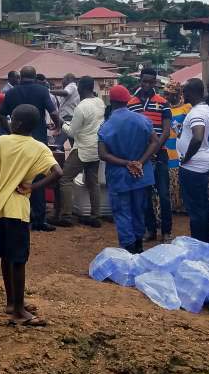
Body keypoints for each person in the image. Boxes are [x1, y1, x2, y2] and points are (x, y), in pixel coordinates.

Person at [0, 104, 62, 327]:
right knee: (19, 260)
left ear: (16, 123)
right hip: (18, 210)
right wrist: (33, 187)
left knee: (6, 256)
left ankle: (12, 302)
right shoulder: (39, 148)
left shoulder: (2, 141)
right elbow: (57, 172)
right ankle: (19, 310)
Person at [98, 85, 162, 253]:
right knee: (139, 209)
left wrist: (127, 163)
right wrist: (140, 162)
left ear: (111, 102)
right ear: (127, 100)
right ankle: (139, 243)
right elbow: (155, 142)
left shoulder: (106, 126)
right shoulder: (143, 120)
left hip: (119, 176)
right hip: (141, 175)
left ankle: (128, 246)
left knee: (122, 211)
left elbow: (103, 154)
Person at [1, 66, 62, 232]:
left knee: (16, 176)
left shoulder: (12, 92)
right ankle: (39, 219)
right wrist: (57, 126)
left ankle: (19, 216)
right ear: (35, 77)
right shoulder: (42, 91)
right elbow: (53, 112)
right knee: (37, 178)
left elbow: (1, 114)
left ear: (20, 77)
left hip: (16, 140)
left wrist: (9, 131)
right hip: (37, 139)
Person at [57, 77, 105, 228]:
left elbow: (71, 132)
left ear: (81, 88)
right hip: (96, 148)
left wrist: (61, 123)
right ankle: (95, 216)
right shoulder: (100, 103)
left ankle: (66, 215)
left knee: (65, 179)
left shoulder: (81, 107)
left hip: (82, 148)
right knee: (92, 182)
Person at [133, 67, 173, 241]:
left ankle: (166, 232)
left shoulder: (163, 103)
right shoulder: (131, 103)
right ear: (140, 81)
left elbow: (166, 131)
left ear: (155, 82)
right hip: (141, 157)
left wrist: (154, 150)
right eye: (144, 81)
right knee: (146, 195)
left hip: (160, 155)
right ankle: (150, 230)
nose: (147, 85)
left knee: (163, 195)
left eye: (151, 82)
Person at [177, 78, 209, 242]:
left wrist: (186, 158)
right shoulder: (206, 109)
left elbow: (198, 137)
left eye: (185, 91)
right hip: (202, 163)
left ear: (192, 93)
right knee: (202, 206)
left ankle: (199, 243)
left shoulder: (197, 113)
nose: (183, 95)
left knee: (195, 209)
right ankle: (205, 241)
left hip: (193, 166)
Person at [164, 80, 190, 214]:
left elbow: (188, 130)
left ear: (178, 94)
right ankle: (172, 205)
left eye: (169, 94)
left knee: (179, 178)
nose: (166, 97)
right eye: (165, 94)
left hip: (179, 147)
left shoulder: (187, 109)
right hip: (165, 146)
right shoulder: (163, 108)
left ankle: (181, 204)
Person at [51, 73, 80, 149]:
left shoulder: (72, 86)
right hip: (69, 118)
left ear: (68, 79)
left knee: (58, 143)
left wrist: (50, 91)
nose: (62, 82)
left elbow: (66, 92)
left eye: (63, 79)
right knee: (74, 144)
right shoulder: (74, 88)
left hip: (67, 118)